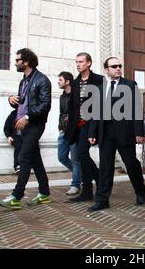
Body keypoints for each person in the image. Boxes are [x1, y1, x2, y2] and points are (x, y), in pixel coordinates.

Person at [87, 57, 145, 211]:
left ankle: (140, 192)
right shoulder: (100, 88)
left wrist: (139, 132)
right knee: (105, 167)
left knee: (131, 164)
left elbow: (136, 110)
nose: (118, 68)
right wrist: (92, 132)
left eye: (120, 66)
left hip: (125, 133)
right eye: (114, 66)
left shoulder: (129, 85)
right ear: (106, 70)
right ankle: (102, 199)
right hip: (105, 134)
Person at [0, 48, 52, 210]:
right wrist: (11, 99)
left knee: (24, 157)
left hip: (34, 124)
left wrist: (27, 117)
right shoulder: (24, 80)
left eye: (17, 60)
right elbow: (24, 101)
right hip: (23, 125)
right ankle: (45, 193)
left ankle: (16, 196)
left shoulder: (41, 80)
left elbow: (45, 105)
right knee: (36, 160)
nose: (15, 63)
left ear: (26, 62)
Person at [65, 53, 104, 202]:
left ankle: (100, 180)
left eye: (81, 62)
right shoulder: (75, 83)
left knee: (81, 153)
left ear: (89, 63)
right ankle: (87, 191)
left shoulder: (99, 80)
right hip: (77, 125)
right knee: (81, 157)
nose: (78, 64)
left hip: (92, 123)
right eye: (76, 62)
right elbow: (72, 104)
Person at [57, 71, 82, 196]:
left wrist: (72, 118)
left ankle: (75, 184)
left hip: (74, 131)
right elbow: (61, 113)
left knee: (75, 159)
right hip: (63, 131)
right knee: (61, 157)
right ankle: (80, 175)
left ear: (67, 81)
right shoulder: (62, 97)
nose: (58, 82)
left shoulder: (76, 95)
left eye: (60, 80)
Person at [4, 109, 22, 174]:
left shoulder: (28, 114)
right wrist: (8, 136)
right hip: (16, 136)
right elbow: (6, 127)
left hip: (26, 136)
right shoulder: (12, 115)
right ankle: (17, 166)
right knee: (18, 147)